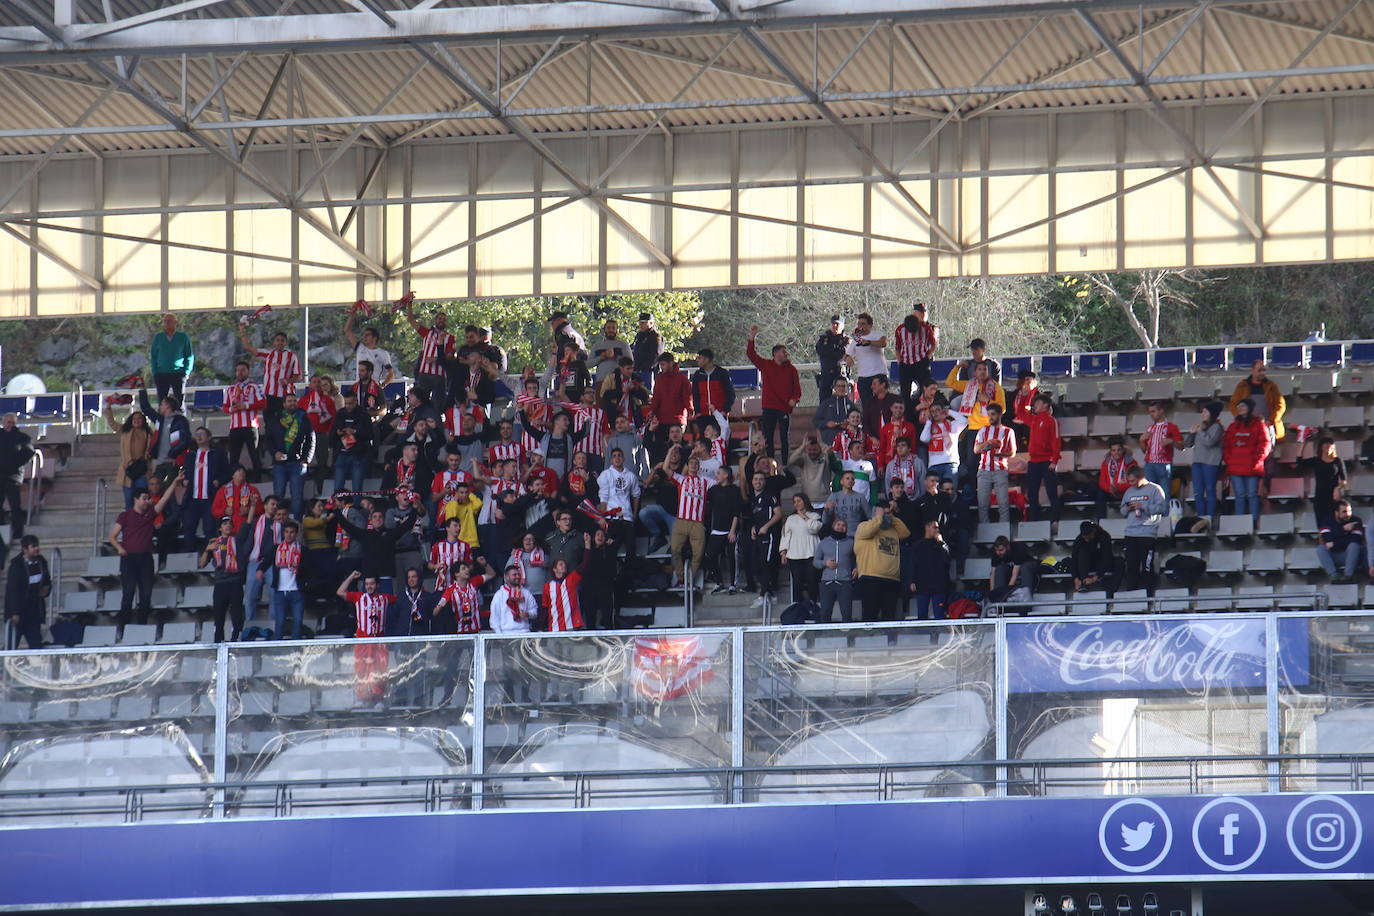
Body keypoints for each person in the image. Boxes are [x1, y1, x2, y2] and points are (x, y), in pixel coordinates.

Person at [109, 484, 177, 629]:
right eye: (144, 498)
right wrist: (120, 548)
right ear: (136, 499)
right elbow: (112, 537)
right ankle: (123, 628)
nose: (147, 501)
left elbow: (164, 499)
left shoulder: (150, 514)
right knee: (128, 595)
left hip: (146, 559)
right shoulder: (125, 515)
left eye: (148, 499)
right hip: (129, 559)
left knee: (146, 596)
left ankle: (141, 628)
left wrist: (175, 483)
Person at [332, 498, 420, 594]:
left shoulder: (390, 534)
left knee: (387, 606)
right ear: (370, 519)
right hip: (369, 578)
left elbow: (408, 524)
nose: (377, 519)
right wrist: (336, 509)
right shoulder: (364, 534)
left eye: (380, 517)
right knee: (369, 606)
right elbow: (346, 525)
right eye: (374, 517)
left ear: (383, 519)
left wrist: (415, 509)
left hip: (386, 577)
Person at [337, 570, 396, 704]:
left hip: (379, 641)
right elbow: (340, 592)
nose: (369, 586)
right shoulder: (359, 597)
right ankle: (361, 699)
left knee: (380, 670)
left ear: (377, 585)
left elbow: (403, 600)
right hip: (362, 640)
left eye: (372, 584)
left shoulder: (385, 598)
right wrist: (352, 576)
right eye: (367, 584)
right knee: (361, 669)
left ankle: (379, 700)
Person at [746, 326, 802, 462]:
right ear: (776, 354)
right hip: (769, 406)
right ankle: (770, 462)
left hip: (784, 408)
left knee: (784, 436)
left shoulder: (792, 370)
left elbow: (797, 389)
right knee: (768, 437)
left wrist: (795, 399)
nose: (786, 354)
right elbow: (751, 355)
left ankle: (784, 463)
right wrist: (752, 337)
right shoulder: (766, 365)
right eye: (784, 352)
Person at [200, 507, 256, 642]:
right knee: (218, 616)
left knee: (236, 614)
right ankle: (218, 643)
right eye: (225, 524)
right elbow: (201, 564)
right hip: (220, 584)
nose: (228, 526)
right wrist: (207, 550)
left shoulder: (237, 540)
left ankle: (235, 640)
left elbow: (248, 524)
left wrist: (252, 506)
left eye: (230, 523)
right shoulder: (214, 543)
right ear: (220, 528)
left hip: (235, 582)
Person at [265, 391, 315, 521]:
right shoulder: (275, 419)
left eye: (294, 401)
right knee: (278, 495)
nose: (292, 403)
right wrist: (274, 452)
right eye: (289, 401)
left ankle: (297, 524)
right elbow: (268, 439)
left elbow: (311, 440)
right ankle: (276, 525)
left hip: (297, 463)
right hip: (279, 464)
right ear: (284, 404)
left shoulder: (303, 419)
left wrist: (306, 459)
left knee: (297, 496)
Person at [854, 505, 909, 621]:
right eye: (885, 513)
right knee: (870, 615)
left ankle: (890, 639)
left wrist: (892, 518)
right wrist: (879, 518)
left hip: (892, 580)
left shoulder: (893, 530)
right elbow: (868, 532)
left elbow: (905, 533)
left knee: (889, 618)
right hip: (871, 578)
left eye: (889, 513)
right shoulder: (863, 526)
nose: (886, 516)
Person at [663, 454, 710, 586]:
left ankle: (690, 579)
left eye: (696, 463)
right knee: (674, 550)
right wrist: (672, 450)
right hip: (681, 521)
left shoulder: (705, 481)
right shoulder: (681, 479)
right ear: (687, 466)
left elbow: (721, 481)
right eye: (691, 463)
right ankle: (681, 577)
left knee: (698, 553)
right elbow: (665, 468)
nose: (694, 465)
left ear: (699, 467)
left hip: (698, 523)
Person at [1224, 397, 1272, 520]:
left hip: (1252, 467)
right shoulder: (1232, 426)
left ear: (1249, 408)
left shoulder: (1259, 425)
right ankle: (1240, 522)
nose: (1240, 408)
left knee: (1252, 495)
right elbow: (1226, 446)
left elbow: (1265, 444)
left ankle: (1253, 521)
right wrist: (1229, 461)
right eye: (1238, 406)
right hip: (1235, 467)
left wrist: (1257, 460)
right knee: (1239, 495)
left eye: (1243, 406)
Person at [1120, 465, 1166, 592]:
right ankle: (1131, 595)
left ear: (1141, 477)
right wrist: (1128, 508)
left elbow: (1162, 508)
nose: (1131, 484)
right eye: (1129, 481)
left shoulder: (1155, 489)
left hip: (1147, 534)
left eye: (1133, 481)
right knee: (1131, 567)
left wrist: (1143, 506)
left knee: (1147, 567)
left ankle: (1149, 596)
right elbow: (1122, 510)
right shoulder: (1129, 491)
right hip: (1131, 534)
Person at [181, 426, 227, 551]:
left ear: (209, 437)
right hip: (192, 499)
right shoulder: (191, 455)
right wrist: (184, 480)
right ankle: (190, 557)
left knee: (210, 530)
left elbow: (227, 473)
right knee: (189, 529)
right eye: (197, 434)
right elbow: (185, 473)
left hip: (209, 499)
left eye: (202, 434)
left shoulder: (217, 454)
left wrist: (219, 481)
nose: (199, 436)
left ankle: (211, 557)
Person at [237, 328, 302, 416]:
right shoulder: (268, 354)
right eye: (277, 340)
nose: (280, 343)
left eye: (282, 340)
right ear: (274, 342)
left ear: (286, 343)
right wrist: (242, 329)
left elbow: (299, 376)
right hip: (268, 395)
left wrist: (288, 381)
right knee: (269, 422)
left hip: (284, 396)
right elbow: (247, 347)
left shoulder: (292, 357)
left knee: (284, 422)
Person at [401, 300, 455, 403]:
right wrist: (409, 304)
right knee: (420, 402)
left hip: (439, 376)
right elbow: (411, 320)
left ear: (446, 323)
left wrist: (435, 359)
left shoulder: (450, 337)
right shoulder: (427, 332)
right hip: (424, 374)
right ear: (435, 320)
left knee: (438, 404)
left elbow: (450, 357)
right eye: (439, 318)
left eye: (444, 319)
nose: (441, 321)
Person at [104, 403, 152, 510]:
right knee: (129, 500)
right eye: (134, 418)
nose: (136, 420)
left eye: (139, 418)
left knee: (143, 500)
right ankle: (130, 525)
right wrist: (109, 411)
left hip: (141, 470)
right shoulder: (125, 430)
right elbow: (113, 424)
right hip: (128, 470)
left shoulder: (148, 433)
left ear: (143, 420)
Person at [973, 403, 1015, 524]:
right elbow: (976, 450)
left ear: (999, 415)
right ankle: (985, 533)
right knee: (982, 505)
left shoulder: (1008, 431)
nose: (990, 417)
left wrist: (1000, 454)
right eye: (989, 414)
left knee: (1003, 504)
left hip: (1000, 470)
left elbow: (1012, 452)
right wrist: (987, 443)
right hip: (984, 470)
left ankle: (1003, 531)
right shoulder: (983, 430)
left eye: (993, 414)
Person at [5, 535, 50, 650]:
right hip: (20, 611)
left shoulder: (41, 562)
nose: (37, 549)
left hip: (34, 611)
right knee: (11, 644)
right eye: (33, 546)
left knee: (36, 644)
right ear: (25, 549)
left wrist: (47, 589)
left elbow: (46, 581)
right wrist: (14, 612)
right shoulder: (16, 566)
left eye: (37, 546)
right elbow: (13, 590)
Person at [222, 360, 265, 479]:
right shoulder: (230, 389)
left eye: (243, 370)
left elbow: (263, 403)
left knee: (255, 456)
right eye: (238, 370)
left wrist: (246, 406)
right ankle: (232, 483)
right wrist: (231, 409)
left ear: (248, 372)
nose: (240, 373)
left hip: (250, 426)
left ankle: (258, 482)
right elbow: (225, 407)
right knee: (233, 458)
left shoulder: (254, 387)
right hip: (235, 427)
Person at [747, 470, 784, 607]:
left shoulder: (770, 495)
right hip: (758, 535)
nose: (758, 481)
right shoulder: (754, 498)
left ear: (765, 481)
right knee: (755, 566)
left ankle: (763, 595)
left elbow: (778, 514)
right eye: (756, 479)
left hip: (769, 535)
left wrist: (766, 527)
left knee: (766, 563)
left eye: (761, 479)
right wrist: (753, 528)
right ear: (752, 481)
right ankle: (770, 593)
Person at [1229, 360, 1287, 444]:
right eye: (1259, 370)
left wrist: (1271, 420)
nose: (1262, 373)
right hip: (1247, 427)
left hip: (1267, 426)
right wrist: (1242, 419)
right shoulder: (1242, 386)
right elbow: (1233, 404)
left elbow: (1280, 405)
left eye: (1264, 370)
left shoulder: (1271, 386)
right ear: (1252, 370)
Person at [1184, 402, 1225, 520]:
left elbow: (1209, 442)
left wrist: (1200, 431)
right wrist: (1191, 434)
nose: (1203, 413)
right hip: (1197, 462)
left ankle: (1210, 517)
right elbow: (1187, 444)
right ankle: (1200, 518)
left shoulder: (1217, 427)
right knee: (1198, 492)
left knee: (1210, 490)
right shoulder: (1201, 426)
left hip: (1210, 463)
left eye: (1206, 411)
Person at [893, 302, 938, 410]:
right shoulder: (900, 330)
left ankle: (926, 410)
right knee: (905, 392)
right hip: (905, 363)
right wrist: (900, 361)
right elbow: (897, 347)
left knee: (926, 388)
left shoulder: (926, 329)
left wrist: (927, 356)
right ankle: (907, 414)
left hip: (921, 361)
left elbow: (934, 344)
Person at [1024, 393, 1062, 522]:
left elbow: (1056, 441)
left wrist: (1054, 460)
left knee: (1052, 492)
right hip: (1033, 461)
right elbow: (1020, 413)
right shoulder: (1034, 419)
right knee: (1032, 493)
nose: (1035, 405)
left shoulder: (1052, 421)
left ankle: (1055, 520)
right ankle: (1035, 521)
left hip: (1047, 461)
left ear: (1046, 405)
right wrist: (1026, 394)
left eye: (1038, 403)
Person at [139, 388, 192, 480]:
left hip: (174, 462)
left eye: (162, 404)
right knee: (156, 488)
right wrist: (142, 390)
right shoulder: (160, 420)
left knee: (170, 488)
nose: (160, 407)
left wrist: (173, 454)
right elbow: (146, 409)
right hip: (159, 461)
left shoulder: (180, 420)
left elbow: (185, 440)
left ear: (167, 406)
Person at [780, 494, 822, 604]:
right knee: (797, 580)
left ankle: (813, 602)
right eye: (794, 502)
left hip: (811, 552)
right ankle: (797, 604)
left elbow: (814, 529)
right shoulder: (791, 518)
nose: (796, 504)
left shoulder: (814, 515)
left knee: (812, 579)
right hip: (794, 553)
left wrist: (804, 516)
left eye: (799, 501)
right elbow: (785, 536)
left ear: (805, 501)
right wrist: (783, 552)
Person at [1300, 435, 1348, 529]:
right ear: (1321, 447)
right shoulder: (1316, 460)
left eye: (1330, 446)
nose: (1328, 448)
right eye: (1326, 446)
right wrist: (1303, 444)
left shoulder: (1337, 461)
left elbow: (1344, 479)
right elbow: (1299, 461)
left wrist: (1338, 488)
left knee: (1335, 523)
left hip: (1333, 497)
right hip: (1320, 496)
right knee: (1321, 525)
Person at [813, 517, 855, 623]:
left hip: (845, 582)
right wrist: (825, 563)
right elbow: (815, 561)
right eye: (838, 525)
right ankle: (825, 637)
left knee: (847, 613)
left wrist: (857, 568)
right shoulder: (824, 542)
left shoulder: (851, 542)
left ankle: (848, 638)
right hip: (827, 582)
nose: (840, 527)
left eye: (843, 525)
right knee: (825, 613)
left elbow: (859, 557)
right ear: (833, 526)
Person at [268, 520, 306, 639]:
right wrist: (260, 570)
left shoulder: (302, 550)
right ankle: (277, 651)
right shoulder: (276, 549)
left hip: (296, 590)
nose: (289, 535)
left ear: (296, 534)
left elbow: (309, 568)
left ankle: (295, 652)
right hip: (280, 590)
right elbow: (266, 561)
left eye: (292, 532)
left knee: (298, 621)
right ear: (283, 533)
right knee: (279, 622)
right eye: (287, 532)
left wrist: (296, 566)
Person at [431, 559, 490, 634]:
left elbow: (491, 574)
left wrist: (485, 564)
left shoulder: (474, 582)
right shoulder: (450, 590)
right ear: (456, 573)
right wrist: (440, 606)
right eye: (463, 568)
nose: (467, 570)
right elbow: (435, 611)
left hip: (477, 630)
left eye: (467, 568)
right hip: (460, 632)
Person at [1139, 402, 1184, 496]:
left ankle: (1163, 511)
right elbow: (1144, 450)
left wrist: (1171, 441)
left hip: (1164, 463)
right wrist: (1141, 441)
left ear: (1161, 411)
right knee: (1149, 494)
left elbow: (1182, 446)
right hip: (1149, 464)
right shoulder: (1149, 428)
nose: (1151, 414)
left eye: (1153, 411)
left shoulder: (1172, 427)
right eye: (1150, 412)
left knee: (1164, 493)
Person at [843, 312, 888, 408]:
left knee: (882, 403)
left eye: (863, 324)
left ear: (870, 325)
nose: (860, 326)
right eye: (859, 324)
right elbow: (846, 355)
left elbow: (883, 343)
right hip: (863, 376)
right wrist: (848, 359)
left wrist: (869, 342)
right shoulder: (855, 339)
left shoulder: (877, 335)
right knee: (867, 405)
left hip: (878, 374)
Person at [911, 519, 951, 620]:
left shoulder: (941, 545)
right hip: (922, 585)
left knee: (939, 615)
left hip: (939, 586)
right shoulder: (917, 545)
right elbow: (912, 564)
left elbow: (947, 560)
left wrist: (941, 542)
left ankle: (939, 635)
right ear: (927, 527)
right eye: (935, 527)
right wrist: (912, 581)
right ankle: (922, 635)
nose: (937, 530)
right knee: (922, 615)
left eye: (938, 528)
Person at [542, 549, 592, 632]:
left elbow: (585, 564)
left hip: (572, 627)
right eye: (561, 564)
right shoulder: (547, 586)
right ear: (554, 569)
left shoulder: (571, 579)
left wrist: (587, 547)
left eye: (565, 565)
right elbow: (545, 608)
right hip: (555, 628)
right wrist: (541, 627)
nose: (564, 566)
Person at [149, 313, 194, 405]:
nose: (167, 323)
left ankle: (179, 418)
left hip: (178, 373)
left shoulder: (183, 337)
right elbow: (153, 356)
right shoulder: (158, 338)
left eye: (169, 321)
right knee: (162, 401)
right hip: (161, 373)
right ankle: (163, 419)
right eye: (165, 321)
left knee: (179, 401)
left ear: (175, 322)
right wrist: (155, 372)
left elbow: (189, 355)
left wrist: (186, 372)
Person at [1318, 500, 1365, 582]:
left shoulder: (1356, 520)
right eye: (1344, 512)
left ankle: (1348, 576)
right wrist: (1343, 529)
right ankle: (1334, 575)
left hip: (1351, 555)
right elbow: (1326, 538)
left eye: (1349, 511)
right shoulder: (1327, 521)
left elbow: (1356, 539)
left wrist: (1335, 543)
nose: (1348, 514)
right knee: (1320, 548)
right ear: (1336, 513)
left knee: (1354, 545)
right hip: (1335, 555)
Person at [920, 401, 967, 484]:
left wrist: (949, 412)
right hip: (934, 464)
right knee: (935, 494)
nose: (935, 413)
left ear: (943, 411)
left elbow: (964, 421)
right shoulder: (929, 427)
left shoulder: (952, 425)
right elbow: (924, 439)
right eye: (932, 411)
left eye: (938, 410)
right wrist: (928, 422)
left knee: (949, 493)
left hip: (951, 463)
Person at [344, 310, 395, 385]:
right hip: (359, 387)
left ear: (374, 338)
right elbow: (347, 331)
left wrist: (383, 385)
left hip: (374, 387)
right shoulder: (360, 348)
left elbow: (391, 374)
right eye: (364, 335)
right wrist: (352, 315)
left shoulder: (382, 353)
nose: (364, 337)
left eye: (367, 335)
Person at [689, 348, 734, 432]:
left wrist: (725, 410)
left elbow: (730, 393)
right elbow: (696, 395)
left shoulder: (722, 373)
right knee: (705, 439)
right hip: (703, 415)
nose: (697, 360)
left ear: (707, 359)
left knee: (720, 437)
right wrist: (698, 411)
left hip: (719, 414)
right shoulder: (698, 375)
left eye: (700, 358)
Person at [1070, 520, 1119, 595]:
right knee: (1082, 552)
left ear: (1093, 532)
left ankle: (1113, 593)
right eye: (1084, 538)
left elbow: (1107, 557)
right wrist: (1076, 579)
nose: (1086, 540)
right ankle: (1084, 583)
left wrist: (1095, 577)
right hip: (1088, 564)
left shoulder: (1104, 536)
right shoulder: (1079, 539)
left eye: (1088, 538)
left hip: (1102, 562)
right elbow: (1074, 559)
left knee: (1120, 562)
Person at [987, 534, 1039, 604]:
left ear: (1008, 547)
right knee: (999, 569)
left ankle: (1026, 602)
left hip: (1027, 566)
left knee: (1025, 568)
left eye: (1001, 550)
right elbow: (993, 574)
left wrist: (1006, 595)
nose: (998, 553)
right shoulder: (996, 553)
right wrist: (992, 593)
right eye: (996, 550)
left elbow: (1014, 575)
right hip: (1011, 569)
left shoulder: (1017, 549)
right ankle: (997, 602)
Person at [1096, 438, 1139, 522]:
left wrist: (1118, 488)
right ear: (1110, 452)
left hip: (1125, 491)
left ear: (1123, 450)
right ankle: (1101, 522)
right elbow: (1102, 482)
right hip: (1110, 491)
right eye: (1113, 450)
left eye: (1119, 450)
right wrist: (1110, 488)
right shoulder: (1105, 463)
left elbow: (1134, 482)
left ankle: (1133, 521)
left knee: (1135, 492)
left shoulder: (1131, 462)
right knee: (1100, 494)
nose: (1116, 453)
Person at [648, 352, 692, 430]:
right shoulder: (659, 379)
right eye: (660, 365)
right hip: (661, 419)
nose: (661, 367)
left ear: (671, 363)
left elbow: (687, 397)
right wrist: (652, 410)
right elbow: (656, 397)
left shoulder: (682, 379)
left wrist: (690, 410)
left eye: (663, 364)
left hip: (678, 418)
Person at [490, 563, 539, 634]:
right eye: (514, 575)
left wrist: (527, 614)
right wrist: (499, 635)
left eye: (519, 574)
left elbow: (534, 611)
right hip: (506, 633)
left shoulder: (526, 593)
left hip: (524, 631)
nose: (518, 577)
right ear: (507, 577)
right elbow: (494, 618)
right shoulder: (499, 595)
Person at [814, 314, 849, 399]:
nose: (835, 326)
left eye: (837, 324)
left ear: (842, 326)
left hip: (840, 374)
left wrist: (831, 351)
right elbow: (820, 351)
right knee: (824, 401)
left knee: (841, 400)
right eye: (833, 323)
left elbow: (843, 353)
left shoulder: (846, 340)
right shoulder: (823, 339)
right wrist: (835, 350)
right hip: (826, 374)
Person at [861, 375, 900, 449]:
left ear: (883, 385)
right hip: (875, 443)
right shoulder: (870, 402)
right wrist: (872, 437)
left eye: (874, 384)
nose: (872, 387)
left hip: (894, 443)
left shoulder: (895, 400)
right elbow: (865, 422)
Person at [589, 318, 631, 384]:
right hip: (601, 380)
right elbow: (588, 364)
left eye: (613, 328)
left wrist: (615, 357)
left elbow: (630, 362)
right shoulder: (597, 346)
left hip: (619, 381)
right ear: (604, 330)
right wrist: (600, 358)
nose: (611, 330)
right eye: (608, 328)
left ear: (617, 330)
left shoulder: (623, 345)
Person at [632, 312, 663, 383]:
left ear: (651, 323)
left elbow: (656, 356)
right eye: (640, 323)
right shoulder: (639, 336)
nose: (641, 325)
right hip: (637, 371)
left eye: (644, 322)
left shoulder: (655, 336)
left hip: (649, 372)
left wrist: (643, 368)